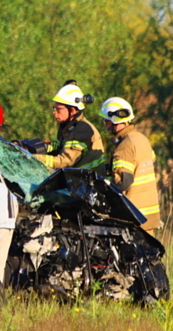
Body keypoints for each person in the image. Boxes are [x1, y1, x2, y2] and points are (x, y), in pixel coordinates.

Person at [100, 97, 161, 233]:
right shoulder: (141, 139)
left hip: (133, 216)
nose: (105, 125)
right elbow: (145, 161)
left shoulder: (124, 145)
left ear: (113, 121)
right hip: (149, 213)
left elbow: (124, 182)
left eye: (106, 121)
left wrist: (104, 187)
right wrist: (111, 169)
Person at [32, 80, 105, 170]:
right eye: (54, 108)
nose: (54, 113)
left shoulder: (82, 130)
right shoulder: (70, 127)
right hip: (78, 181)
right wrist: (36, 147)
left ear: (72, 111)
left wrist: (32, 158)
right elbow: (62, 147)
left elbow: (64, 161)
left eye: (58, 109)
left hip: (87, 183)